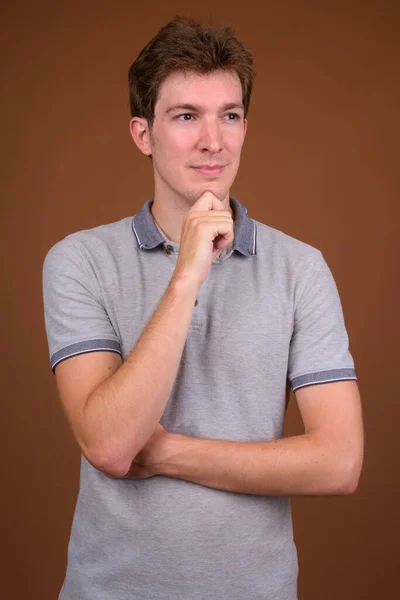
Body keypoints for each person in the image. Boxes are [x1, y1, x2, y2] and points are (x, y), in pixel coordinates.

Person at [42, 16, 364, 600]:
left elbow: (339, 463)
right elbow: (112, 444)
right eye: (186, 116)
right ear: (143, 134)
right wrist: (187, 273)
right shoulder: (79, 261)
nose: (213, 140)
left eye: (230, 115)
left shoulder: (301, 268)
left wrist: (165, 452)